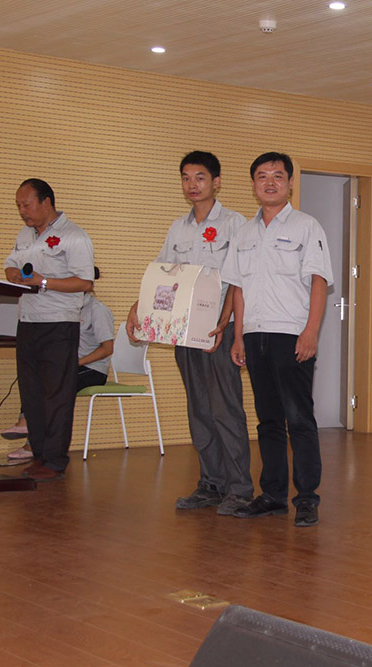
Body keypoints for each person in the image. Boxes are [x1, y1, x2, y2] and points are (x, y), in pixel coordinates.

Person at [125, 150, 252, 514]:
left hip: (220, 331)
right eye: (185, 178)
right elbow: (163, 274)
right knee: (199, 410)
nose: (192, 185)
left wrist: (224, 324)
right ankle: (210, 484)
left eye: (200, 177)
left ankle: (240, 489)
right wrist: (138, 309)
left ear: (216, 182)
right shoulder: (178, 228)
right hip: (184, 333)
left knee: (225, 409)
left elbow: (238, 281)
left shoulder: (235, 224)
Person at [223, 152, 333, 527]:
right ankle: (272, 495)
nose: (269, 182)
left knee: (299, 418)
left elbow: (318, 282)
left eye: (277, 176)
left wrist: (311, 331)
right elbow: (238, 288)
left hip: (292, 335)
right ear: (253, 184)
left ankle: (307, 498)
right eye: (262, 176)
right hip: (255, 336)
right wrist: (238, 336)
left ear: (289, 183)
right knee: (268, 420)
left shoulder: (306, 227)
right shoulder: (243, 233)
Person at [5, 178, 95, 481]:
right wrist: (12, 273)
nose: (22, 211)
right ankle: (39, 455)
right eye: (18, 205)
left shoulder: (74, 236)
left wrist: (42, 282)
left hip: (58, 324)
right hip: (28, 322)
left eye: (26, 204)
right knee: (31, 394)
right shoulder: (24, 234)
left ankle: (55, 461)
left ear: (46, 202)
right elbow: (10, 263)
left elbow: (84, 282)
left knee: (56, 396)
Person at [6, 275, 115, 460]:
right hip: (69, 364)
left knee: (53, 387)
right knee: (36, 380)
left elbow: (107, 349)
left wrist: (77, 362)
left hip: (92, 369)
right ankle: (28, 427)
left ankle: (31, 437)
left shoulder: (97, 310)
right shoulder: (64, 309)